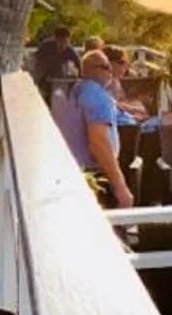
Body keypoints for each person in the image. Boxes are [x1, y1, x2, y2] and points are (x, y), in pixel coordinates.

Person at [52, 51, 132, 208]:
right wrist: (120, 186)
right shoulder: (97, 96)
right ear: (93, 70)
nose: (110, 71)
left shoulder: (78, 90)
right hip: (96, 176)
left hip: (74, 172)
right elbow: (98, 143)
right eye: (106, 67)